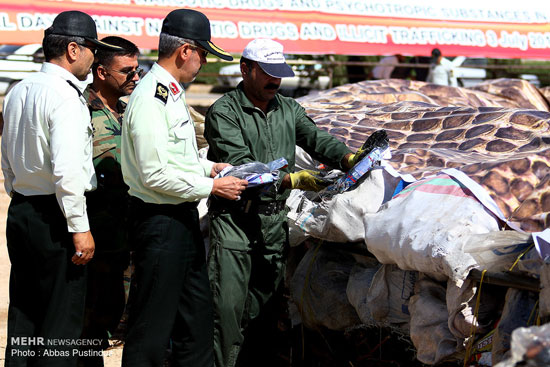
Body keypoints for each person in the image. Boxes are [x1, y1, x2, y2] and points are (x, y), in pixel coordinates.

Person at [204, 38, 367, 367]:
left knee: (265, 311)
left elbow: (316, 139)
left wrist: (349, 157)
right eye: (267, 73)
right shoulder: (224, 112)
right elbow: (243, 169)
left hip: (273, 223)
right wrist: (293, 180)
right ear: (245, 69)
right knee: (228, 313)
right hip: (236, 223)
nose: (275, 81)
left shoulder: (288, 109)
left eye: (279, 74)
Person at [120, 9, 248, 367]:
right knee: (151, 328)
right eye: (203, 54)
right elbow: (154, 175)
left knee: (196, 320)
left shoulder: (171, 92)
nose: (204, 63)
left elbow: (177, 157)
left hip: (181, 217)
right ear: (185, 52)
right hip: (159, 221)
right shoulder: (151, 99)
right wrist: (213, 185)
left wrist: (211, 166)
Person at [1, 10, 120, 366]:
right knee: (61, 323)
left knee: (25, 313)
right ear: (72, 49)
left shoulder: (20, 89)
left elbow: (6, 156)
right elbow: (68, 174)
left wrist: (20, 191)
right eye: (90, 50)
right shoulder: (67, 98)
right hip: (56, 216)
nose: (93, 58)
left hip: (22, 209)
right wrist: (80, 228)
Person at [78, 36, 141, 367]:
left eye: (137, 69)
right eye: (127, 71)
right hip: (94, 235)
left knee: (115, 313)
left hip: (127, 235)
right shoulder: (80, 112)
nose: (135, 77)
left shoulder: (131, 110)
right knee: (88, 322)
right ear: (101, 72)